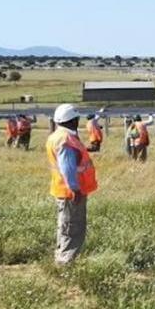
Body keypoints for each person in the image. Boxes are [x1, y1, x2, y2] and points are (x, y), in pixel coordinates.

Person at [45, 104, 97, 265]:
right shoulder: (66, 140)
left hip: (63, 190)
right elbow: (67, 167)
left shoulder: (56, 136)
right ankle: (65, 263)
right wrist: (75, 189)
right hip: (71, 192)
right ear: (73, 120)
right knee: (72, 228)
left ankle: (62, 259)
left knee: (65, 226)